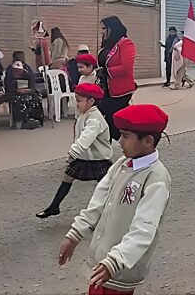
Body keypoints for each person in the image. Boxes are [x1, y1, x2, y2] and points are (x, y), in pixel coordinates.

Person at [58, 104, 171, 295]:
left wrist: (115, 261)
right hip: (104, 263)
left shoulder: (156, 178)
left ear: (148, 141)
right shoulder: (121, 164)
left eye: (126, 136)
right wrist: (75, 233)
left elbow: (144, 229)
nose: (119, 141)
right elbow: (98, 202)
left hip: (121, 267)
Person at [37, 83, 112, 219]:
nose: (76, 104)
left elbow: (86, 137)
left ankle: (106, 210)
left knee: (105, 186)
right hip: (84, 157)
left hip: (97, 158)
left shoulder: (94, 119)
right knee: (67, 178)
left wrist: (73, 152)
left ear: (91, 101)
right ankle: (54, 206)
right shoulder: (85, 113)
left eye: (79, 101)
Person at [97, 16, 136, 141]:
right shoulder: (108, 45)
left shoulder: (126, 43)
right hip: (106, 89)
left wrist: (107, 72)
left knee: (113, 121)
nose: (102, 32)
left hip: (120, 90)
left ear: (112, 28)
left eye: (104, 28)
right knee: (109, 119)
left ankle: (123, 145)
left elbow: (126, 67)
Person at [3, 52, 44, 128]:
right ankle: (22, 121)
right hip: (14, 92)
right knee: (21, 99)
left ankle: (35, 119)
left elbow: (32, 79)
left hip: (26, 89)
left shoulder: (27, 68)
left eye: (22, 57)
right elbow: (8, 83)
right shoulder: (10, 69)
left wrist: (29, 89)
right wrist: (16, 90)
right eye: (19, 58)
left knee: (36, 97)